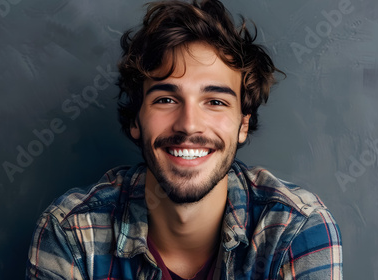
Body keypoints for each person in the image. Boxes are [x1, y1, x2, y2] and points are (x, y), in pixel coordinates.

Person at [26, 0, 343, 279]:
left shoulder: (296, 230)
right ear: (136, 120)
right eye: (166, 99)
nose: (189, 124)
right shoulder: (71, 233)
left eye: (215, 102)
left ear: (243, 125)